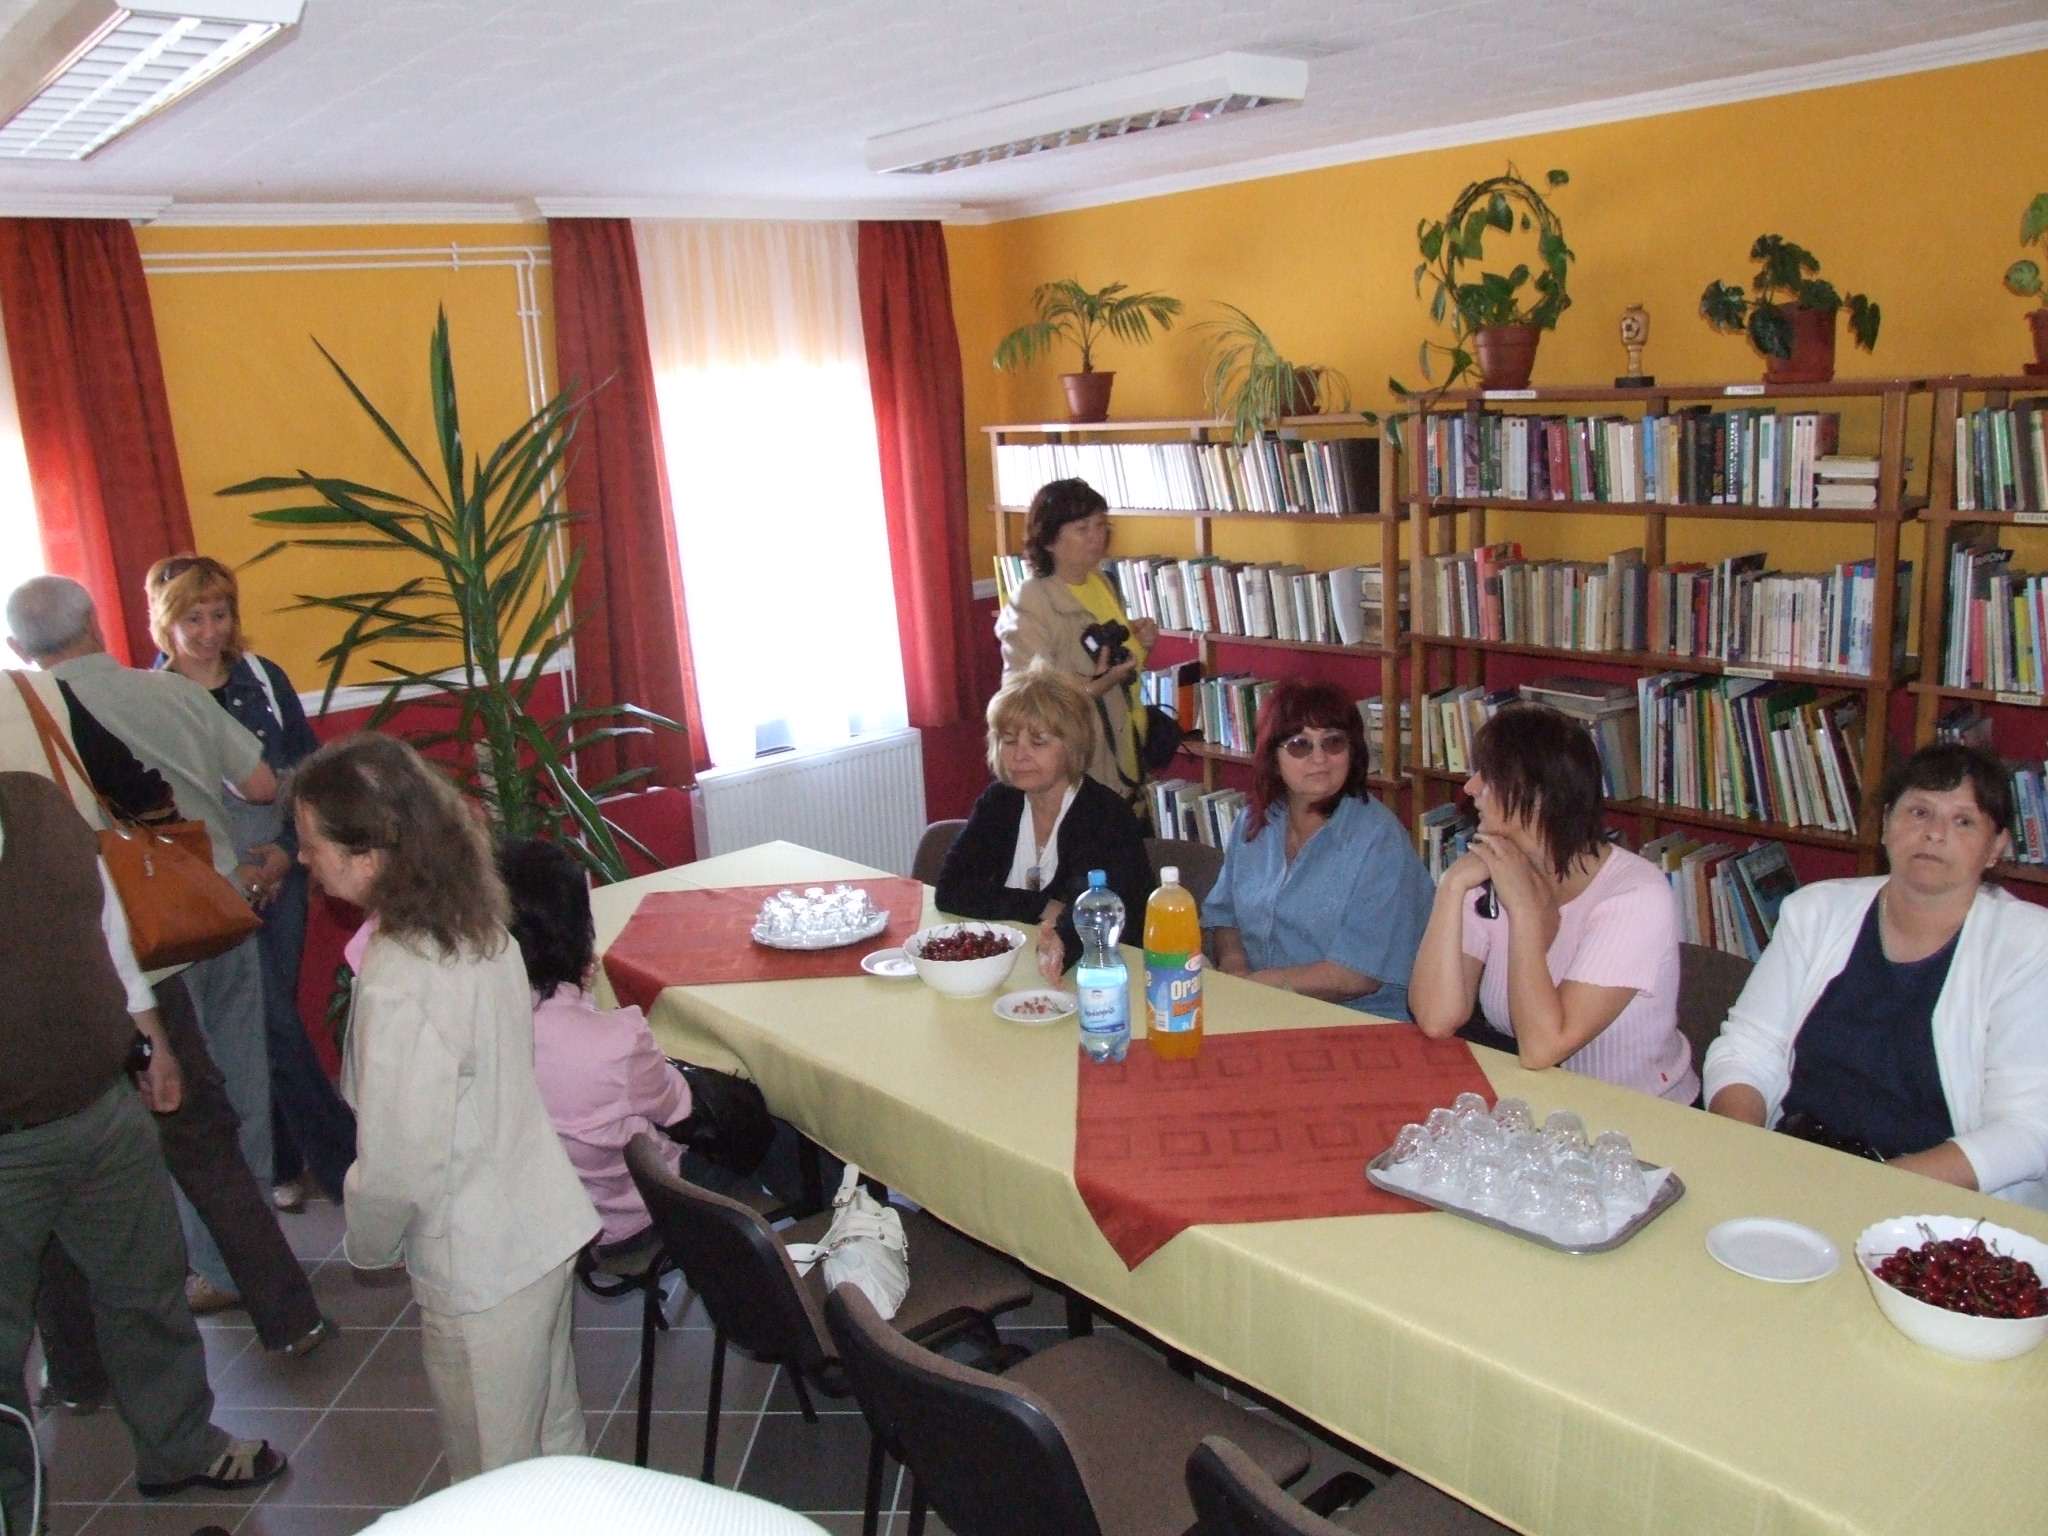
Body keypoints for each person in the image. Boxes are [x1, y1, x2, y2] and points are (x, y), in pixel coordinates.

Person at [6, 576, 322, 1330]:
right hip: (215, 905)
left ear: (17, 646)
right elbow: (250, 784)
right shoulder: (170, 690)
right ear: (96, 622)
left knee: (172, 1109)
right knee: (240, 1090)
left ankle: (213, 1267)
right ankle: (257, 1251)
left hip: (126, 943)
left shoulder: (33, 706)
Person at [292, 733, 599, 1481]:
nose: (302, 858)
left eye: (310, 843)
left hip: (481, 1260)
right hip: (539, 1221)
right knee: (557, 1443)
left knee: (492, 1479)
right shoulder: (477, 920)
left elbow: (399, 1163)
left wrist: (367, 1242)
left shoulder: (399, 975)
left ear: (369, 855)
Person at [1, 769, 287, 1533]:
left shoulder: (39, 805)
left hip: (102, 1109)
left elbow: (109, 936)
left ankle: (179, 1445)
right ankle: (13, 1507)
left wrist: (152, 1040)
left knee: (148, 1290)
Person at [1704, 742, 2048, 1207]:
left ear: (1996, 847)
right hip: (1791, 1166)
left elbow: (2026, 1129)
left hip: (1933, 1198)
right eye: (1919, 812)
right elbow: (1747, 1049)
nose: (1934, 834)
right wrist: (1743, 1150)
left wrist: (1862, 1191)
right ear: (1886, 823)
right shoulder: (1817, 911)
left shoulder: (2029, 945)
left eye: (1963, 821)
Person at [146, 553, 357, 1214]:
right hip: (208, 882)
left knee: (272, 1018)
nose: (209, 631)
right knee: (268, 1020)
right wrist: (232, 867)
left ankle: (283, 1161)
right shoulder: (150, 698)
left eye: (220, 614)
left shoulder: (263, 678)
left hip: (281, 870)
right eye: (193, 618)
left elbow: (306, 771)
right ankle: (346, 1163)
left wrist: (287, 855)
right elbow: (153, 808)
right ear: (165, 621)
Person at [1410, 703, 1697, 1104]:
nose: (1471, 787)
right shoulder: (1490, 870)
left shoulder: (1636, 896)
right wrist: (1451, 886)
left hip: (1640, 1113)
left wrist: (1524, 912)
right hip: (1534, 1101)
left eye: (1489, 775)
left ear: (1539, 795)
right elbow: (1436, 1018)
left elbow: (1543, 1046)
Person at [498, 836, 692, 1259]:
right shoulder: (616, 1040)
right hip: (635, 1215)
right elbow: (677, 1107)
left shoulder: (481, 1027)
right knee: (772, 1131)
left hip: (554, 1216)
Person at [1202, 679, 1433, 1021]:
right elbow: (1225, 915)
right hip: (1261, 1006)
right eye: (1300, 745)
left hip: (1358, 1021)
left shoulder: (1380, 841)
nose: (1320, 758)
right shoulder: (1254, 822)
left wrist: (1253, 985)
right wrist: (1234, 966)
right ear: (1273, 756)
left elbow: (1357, 976)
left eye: (1333, 742)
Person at [935, 665, 1152, 985]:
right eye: (1009, 740)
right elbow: (952, 891)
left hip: (1103, 974)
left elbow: (1093, 916)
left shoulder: (1104, 815)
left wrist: (1059, 934)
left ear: (1072, 745)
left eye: (1038, 743)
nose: (1019, 756)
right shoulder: (1000, 802)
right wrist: (1043, 905)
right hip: (1014, 969)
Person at [994, 478, 1159, 800]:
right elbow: (1024, 702)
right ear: (1049, 539)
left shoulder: (1101, 582)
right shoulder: (1031, 600)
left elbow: (1119, 668)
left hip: (1124, 753)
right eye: (1082, 528)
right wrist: (1098, 686)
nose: (1096, 536)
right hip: (1076, 765)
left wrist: (1142, 646)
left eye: (1101, 525)